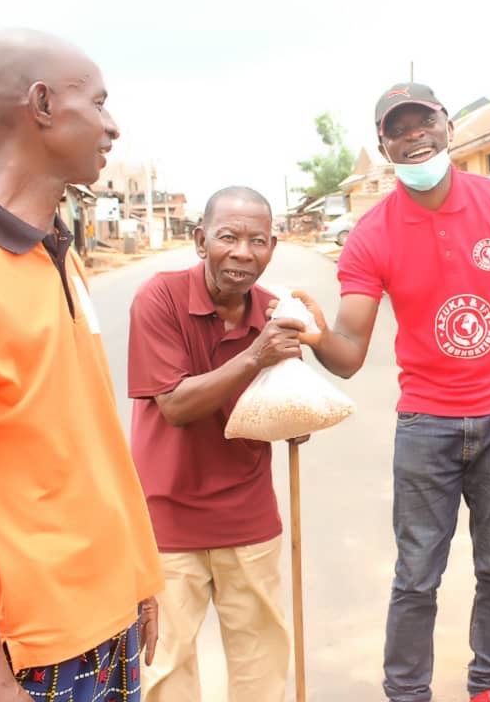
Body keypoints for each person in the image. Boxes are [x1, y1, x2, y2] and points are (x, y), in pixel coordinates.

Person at [289, 82, 490, 702]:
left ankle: (488, 684)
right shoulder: (371, 236)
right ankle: (407, 692)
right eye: (399, 129)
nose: (415, 136)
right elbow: (349, 351)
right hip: (425, 426)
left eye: (423, 121)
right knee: (416, 576)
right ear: (384, 145)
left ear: (447, 125)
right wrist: (317, 335)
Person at [0, 29, 162, 702]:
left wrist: (137, 578)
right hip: (39, 644)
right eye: (99, 103)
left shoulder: (60, 252)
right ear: (43, 104)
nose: (113, 125)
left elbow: (87, 439)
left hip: (110, 615)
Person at [128, 186, 303, 702]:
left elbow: (286, 406)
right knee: (164, 667)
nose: (243, 253)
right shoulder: (158, 298)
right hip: (165, 516)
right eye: (228, 237)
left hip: (248, 516)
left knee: (261, 664)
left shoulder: (275, 312)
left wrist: (298, 414)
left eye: (258, 241)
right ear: (201, 240)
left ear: (273, 247)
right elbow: (176, 406)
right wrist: (255, 358)